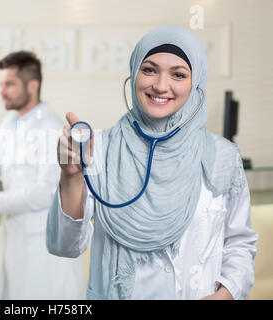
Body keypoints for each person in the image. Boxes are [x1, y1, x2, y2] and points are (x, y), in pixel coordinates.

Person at [46, 26, 258, 300]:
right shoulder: (98, 149)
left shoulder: (222, 156)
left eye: (178, 75)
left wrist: (226, 294)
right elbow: (64, 247)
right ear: (134, 74)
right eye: (149, 70)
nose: (160, 85)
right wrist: (71, 177)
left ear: (196, 84)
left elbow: (239, 243)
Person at [0, 51, 86, 299]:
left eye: (9, 84)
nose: (2, 91)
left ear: (33, 85)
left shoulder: (52, 129)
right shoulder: (10, 122)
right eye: (1, 84)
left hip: (44, 244)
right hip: (16, 236)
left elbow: (45, 192)